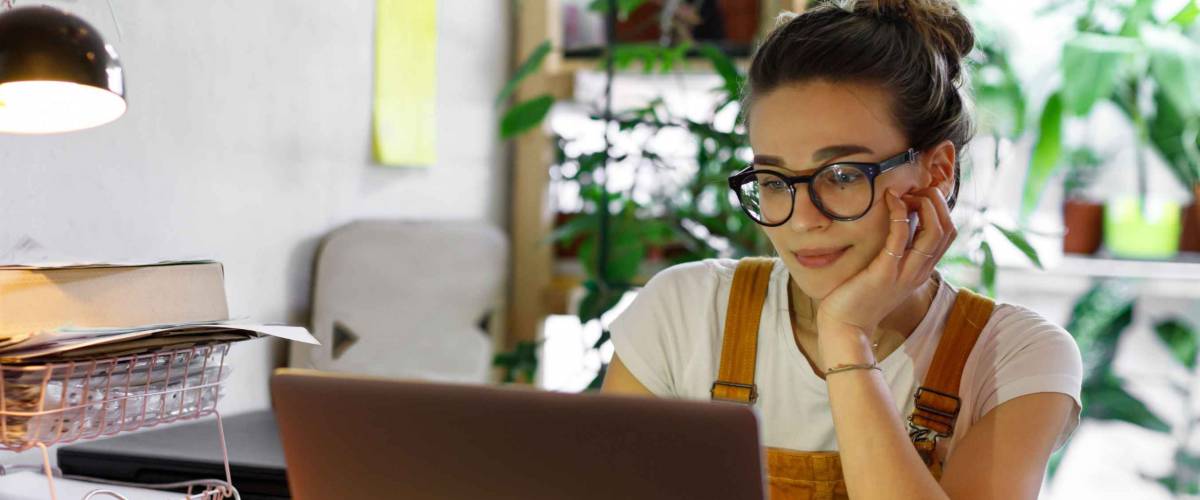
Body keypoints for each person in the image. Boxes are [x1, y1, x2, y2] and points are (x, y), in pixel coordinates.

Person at [600, 1, 1084, 499]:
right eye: (773, 180)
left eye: (843, 176)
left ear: (937, 171)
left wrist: (846, 336)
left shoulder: (1014, 358)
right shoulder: (684, 312)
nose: (804, 219)